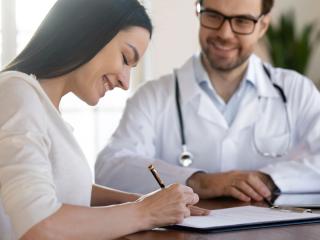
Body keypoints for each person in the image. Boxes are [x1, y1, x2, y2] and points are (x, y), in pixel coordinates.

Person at [0, 0, 209, 239]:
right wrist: (146, 211)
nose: (125, 82)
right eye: (125, 57)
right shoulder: (16, 93)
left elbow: (61, 186)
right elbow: (39, 225)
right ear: (89, 33)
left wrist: (143, 202)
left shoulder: (41, 105)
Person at [95, 0, 320, 203]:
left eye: (242, 21)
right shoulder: (154, 95)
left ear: (262, 26)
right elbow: (110, 168)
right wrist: (197, 181)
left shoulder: (296, 91)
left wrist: (268, 179)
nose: (225, 33)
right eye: (213, 15)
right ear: (198, 11)